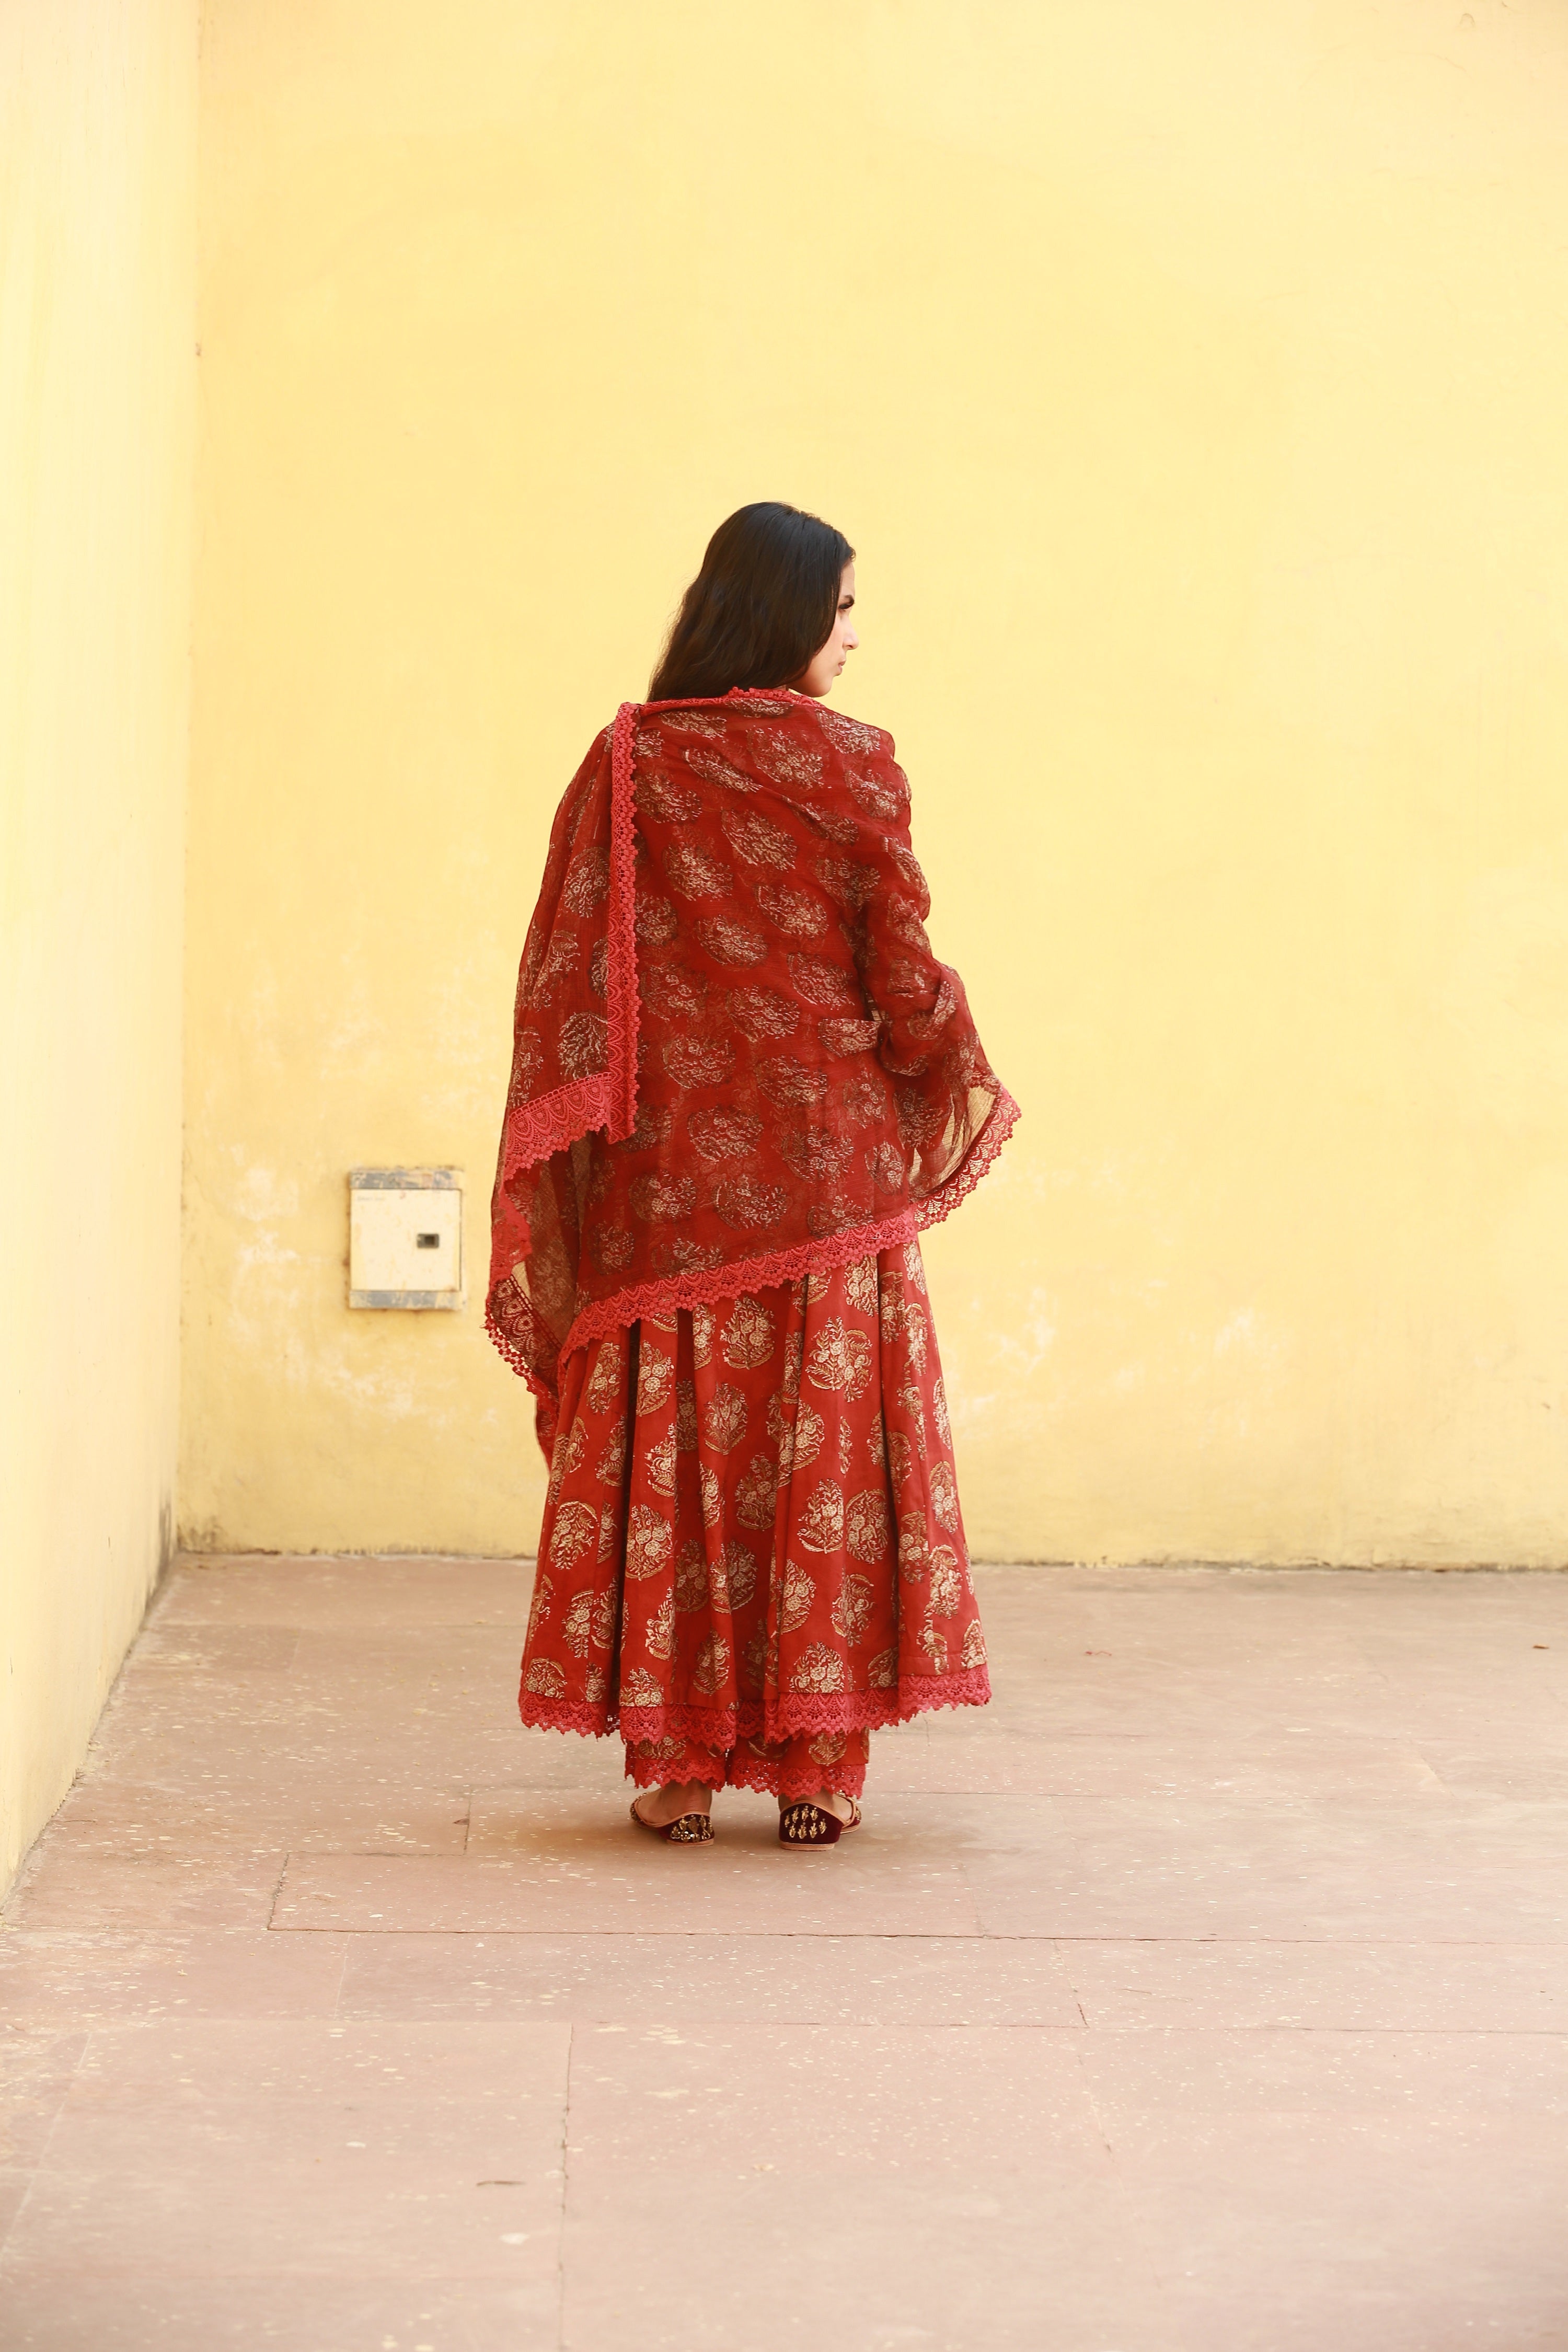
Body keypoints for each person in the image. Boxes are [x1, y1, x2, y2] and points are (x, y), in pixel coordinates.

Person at [487, 502, 1017, 1847]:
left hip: (669, 1179)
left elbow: (566, 982)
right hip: (827, 1177)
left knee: (684, 1459)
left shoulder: (626, 763)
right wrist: (953, 1059)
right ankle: (816, 1777)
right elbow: (898, 972)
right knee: (815, 1463)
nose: (854, 633)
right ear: (784, 616)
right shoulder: (857, 768)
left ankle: (671, 1774)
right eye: (841, 607)